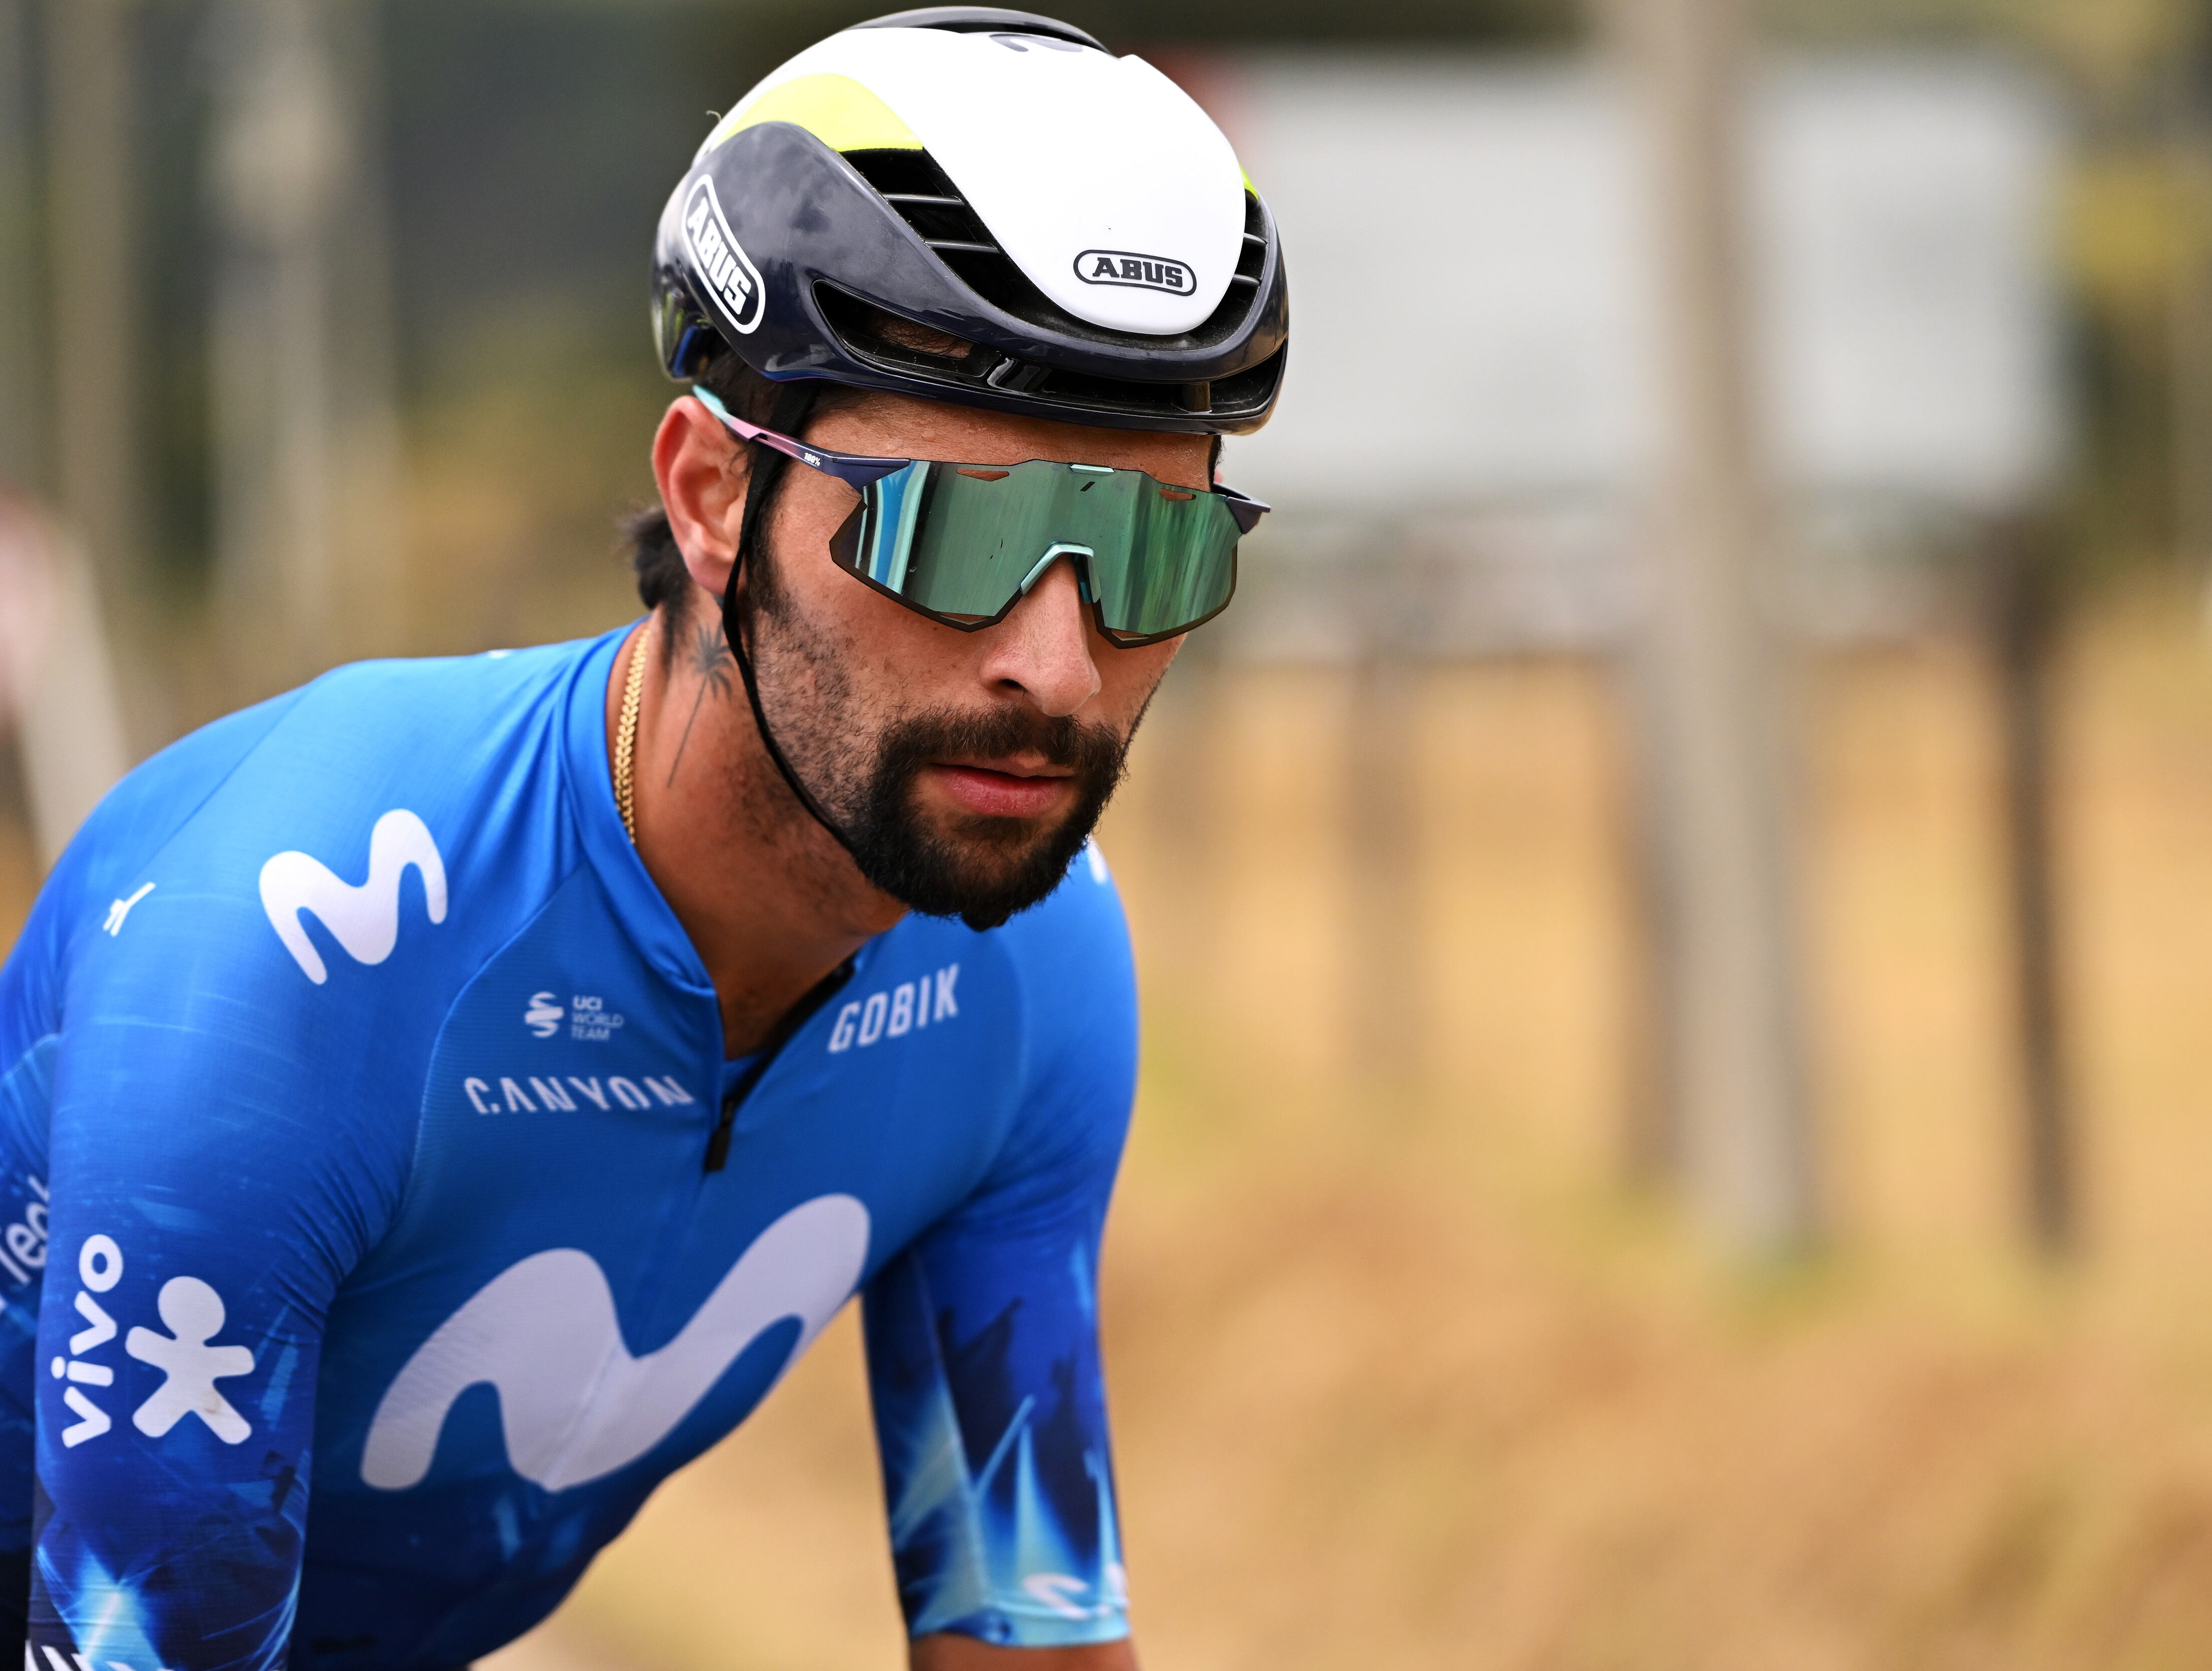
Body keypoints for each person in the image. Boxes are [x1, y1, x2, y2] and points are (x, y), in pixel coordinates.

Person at [0, 8, 1287, 1666]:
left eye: (1153, 552)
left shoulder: (1031, 964)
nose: (1056, 662)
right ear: (709, 498)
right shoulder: (303, 939)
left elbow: (1023, 1616)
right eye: (957, 529)